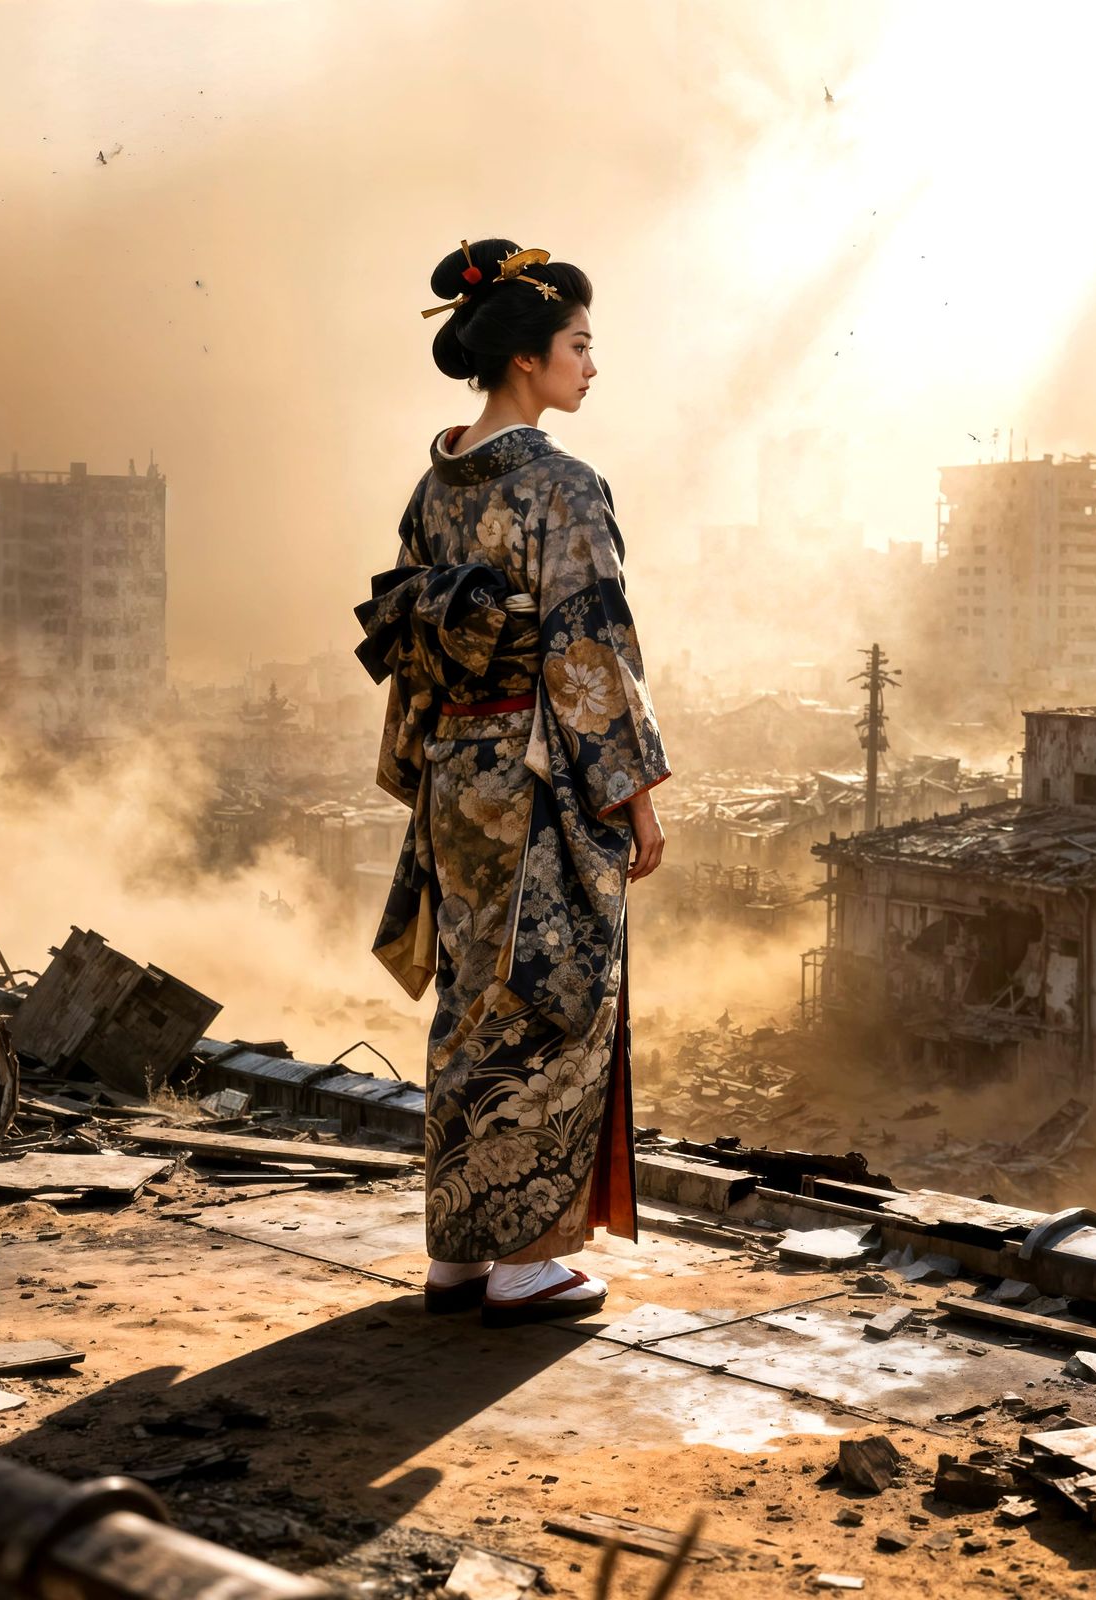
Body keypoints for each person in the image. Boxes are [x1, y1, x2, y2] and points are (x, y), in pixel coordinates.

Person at [354, 238, 669, 1327]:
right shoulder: (561, 484)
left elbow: (409, 630)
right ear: (528, 360)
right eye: (579, 344)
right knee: (551, 997)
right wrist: (630, 791)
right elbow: (589, 646)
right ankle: (527, 1259)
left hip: (457, 771)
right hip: (540, 779)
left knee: (468, 998)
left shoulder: (435, 480)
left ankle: (455, 1254)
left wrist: (434, 758)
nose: (592, 365)